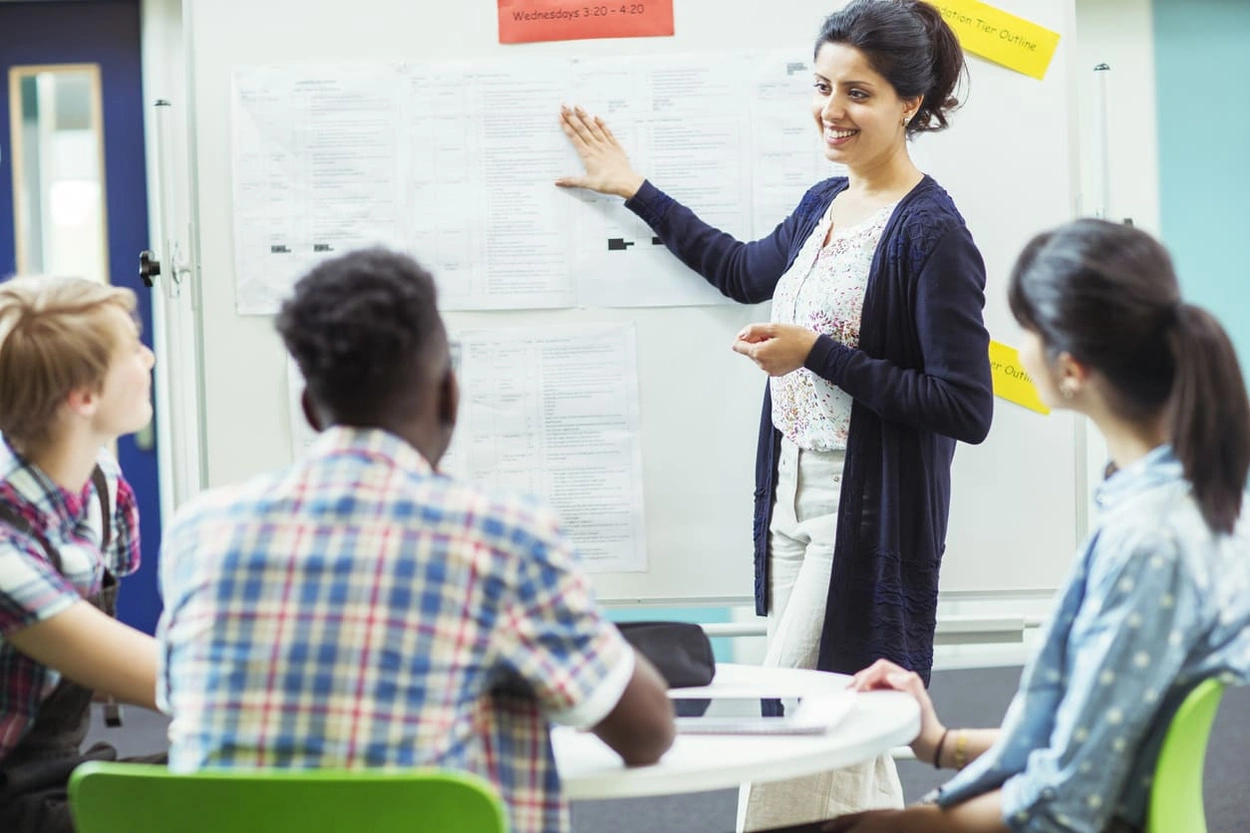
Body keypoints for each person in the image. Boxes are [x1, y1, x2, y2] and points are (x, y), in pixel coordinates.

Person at [556, 0, 993, 825]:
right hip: (793, 499)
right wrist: (635, 189)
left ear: (909, 104)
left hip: (860, 510)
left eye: (858, 93)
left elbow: (964, 406)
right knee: (843, 729)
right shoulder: (827, 200)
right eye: (823, 86)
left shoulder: (932, 233)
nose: (832, 110)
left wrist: (817, 352)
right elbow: (740, 269)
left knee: (788, 730)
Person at [155, 248, 675, 833]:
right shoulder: (500, 537)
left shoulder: (200, 531)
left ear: (309, 409)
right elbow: (648, 734)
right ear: (450, 395)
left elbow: (184, 705)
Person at [831, 219, 1250, 833]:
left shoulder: (1148, 541)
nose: (1017, 348)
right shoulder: (1179, 501)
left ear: (1071, 370)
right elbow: (1087, 737)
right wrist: (939, 742)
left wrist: (900, 826)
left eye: (1028, 329)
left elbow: (1068, 800)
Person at [0, 276, 163, 833]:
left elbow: (96, 666)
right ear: (84, 396)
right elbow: (167, 681)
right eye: (132, 348)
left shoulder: (103, 484)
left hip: (52, 768)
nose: (149, 357)